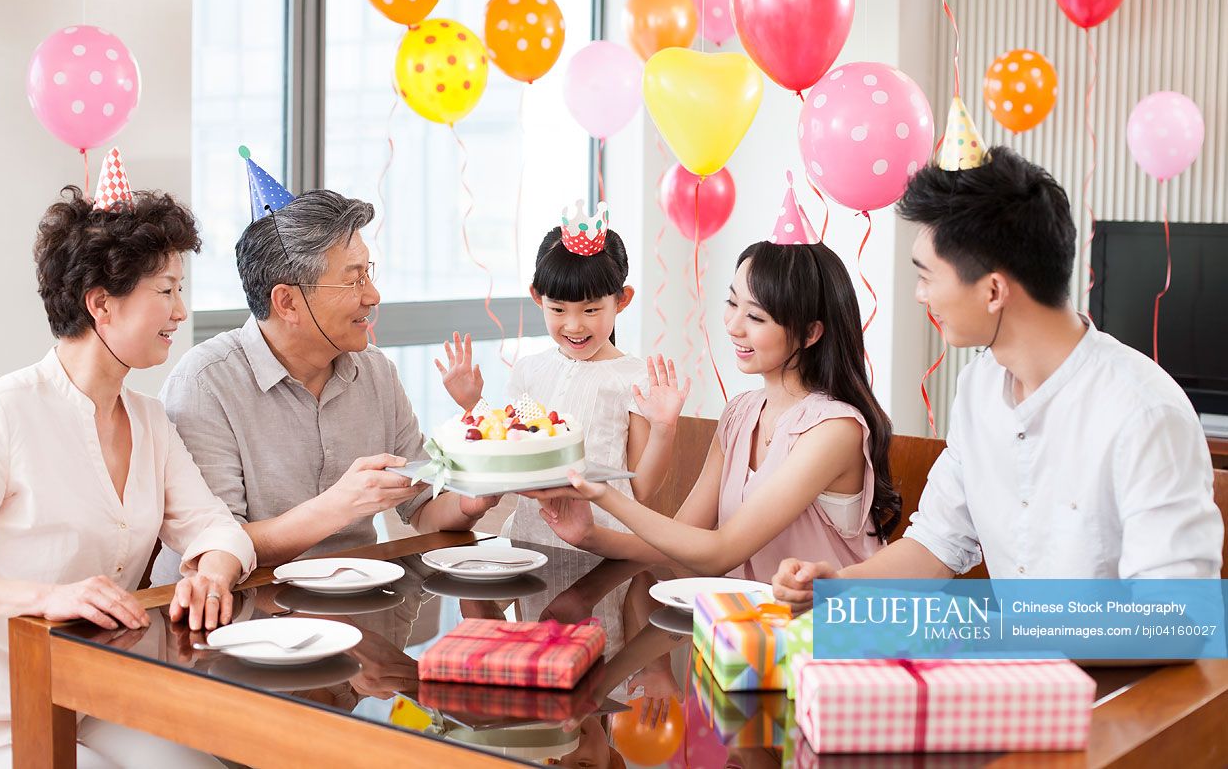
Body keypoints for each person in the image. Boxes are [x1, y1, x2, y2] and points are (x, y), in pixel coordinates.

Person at [773, 147, 1223, 610]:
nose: (919, 293)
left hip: (1116, 681)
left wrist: (1014, 633)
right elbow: (935, 545)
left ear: (993, 290)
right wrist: (839, 584)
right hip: (1011, 671)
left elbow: (1177, 616)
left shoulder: (1144, 411)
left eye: (927, 276)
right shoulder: (978, 388)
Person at [0, 186, 255, 766]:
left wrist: (213, 574)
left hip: (97, 696)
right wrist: (50, 598)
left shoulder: (149, 421)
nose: (181, 312)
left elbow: (215, 526)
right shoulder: (1, 414)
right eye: (168, 291)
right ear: (101, 303)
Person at [151, 190, 494, 584]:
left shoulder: (376, 373)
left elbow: (422, 507)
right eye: (353, 279)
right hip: (232, 612)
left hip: (354, 602)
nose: (373, 295)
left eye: (369, 273)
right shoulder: (205, 382)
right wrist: (340, 504)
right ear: (288, 303)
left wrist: (471, 502)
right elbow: (217, 543)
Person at [524, 237, 901, 583]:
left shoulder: (835, 430)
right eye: (733, 303)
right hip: (750, 632)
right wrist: (590, 536)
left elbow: (718, 553)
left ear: (810, 333)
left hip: (831, 637)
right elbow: (684, 541)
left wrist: (602, 494)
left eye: (756, 317)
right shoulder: (739, 414)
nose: (734, 326)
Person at [436, 220, 689, 549]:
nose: (574, 325)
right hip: (530, 541)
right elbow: (515, 444)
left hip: (605, 546)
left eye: (591, 309)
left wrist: (664, 428)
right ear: (537, 298)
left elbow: (640, 488)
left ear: (622, 300)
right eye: (558, 309)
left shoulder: (634, 378)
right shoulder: (530, 370)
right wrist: (474, 404)